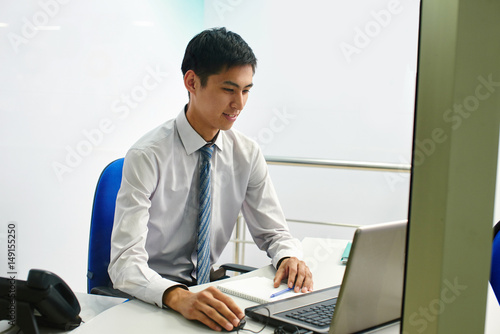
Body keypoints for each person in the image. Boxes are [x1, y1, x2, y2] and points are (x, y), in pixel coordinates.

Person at [108, 27, 313, 332]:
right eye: (229, 89)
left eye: (246, 90)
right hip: (154, 298)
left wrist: (289, 256)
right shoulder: (148, 155)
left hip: (209, 293)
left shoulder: (246, 153)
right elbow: (124, 263)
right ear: (192, 82)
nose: (239, 104)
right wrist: (176, 296)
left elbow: (275, 234)